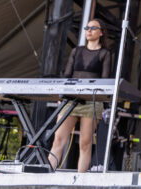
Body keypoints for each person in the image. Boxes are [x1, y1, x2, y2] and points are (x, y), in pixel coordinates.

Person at [48, 18, 112, 172]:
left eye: (93, 28)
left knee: (85, 143)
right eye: (87, 28)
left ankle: (80, 179)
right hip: (71, 99)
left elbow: (105, 80)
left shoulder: (105, 53)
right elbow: (67, 75)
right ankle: (47, 175)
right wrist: (61, 96)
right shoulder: (76, 51)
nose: (88, 31)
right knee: (58, 140)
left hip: (92, 102)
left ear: (101, 33)